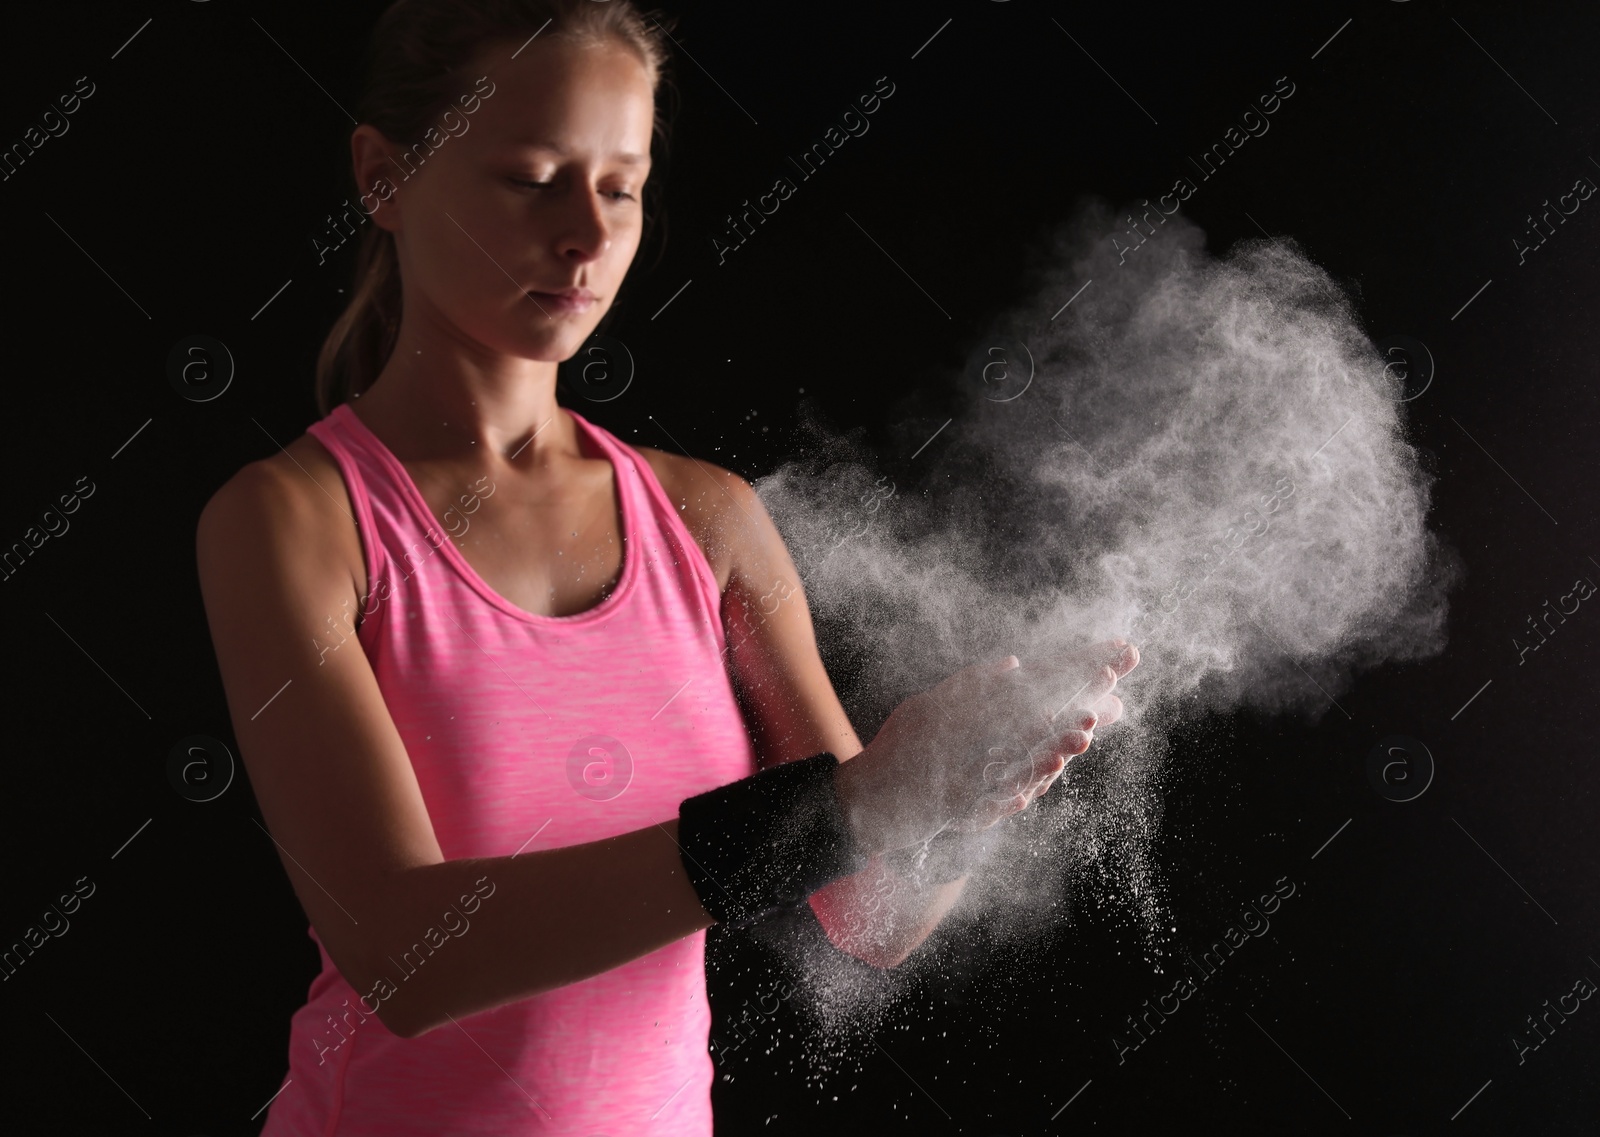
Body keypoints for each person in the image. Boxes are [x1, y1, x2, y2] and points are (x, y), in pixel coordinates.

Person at [194, 1, 1139, 1132]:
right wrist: (851, 803)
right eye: (533, 177)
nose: (587, 238)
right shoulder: (293, 522)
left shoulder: (707, 518)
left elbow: (870, 913)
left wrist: (955, 790)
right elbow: (408, 958)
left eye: (620, 186)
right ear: (384, 177)